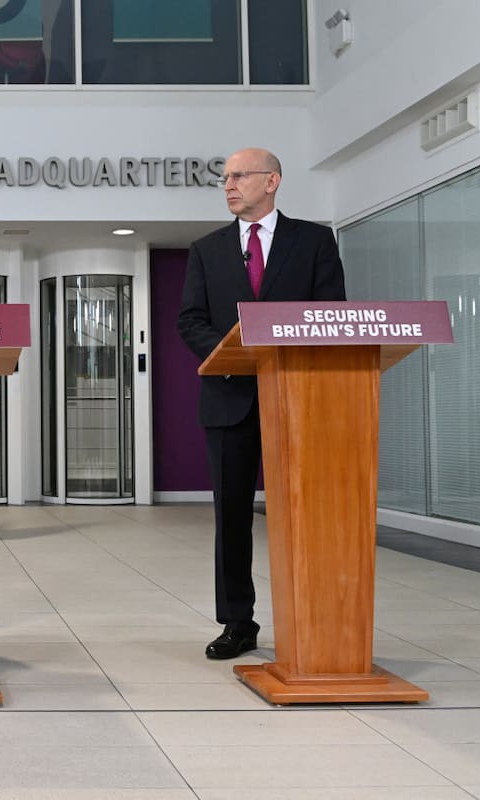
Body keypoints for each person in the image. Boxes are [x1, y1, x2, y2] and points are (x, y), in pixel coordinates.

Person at [177, 147, 346, 660]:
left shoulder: (314, 241)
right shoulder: (205, 249)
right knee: (232, 518)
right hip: (229, 399)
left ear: (272, 181)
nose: (228, 185)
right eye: (224, 177)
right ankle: (237, 623)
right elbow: (190, 321)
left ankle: (312, 613)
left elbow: (330, 315)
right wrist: (233, 353)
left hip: (297, 399)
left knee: (305, 512)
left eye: (239, 176)